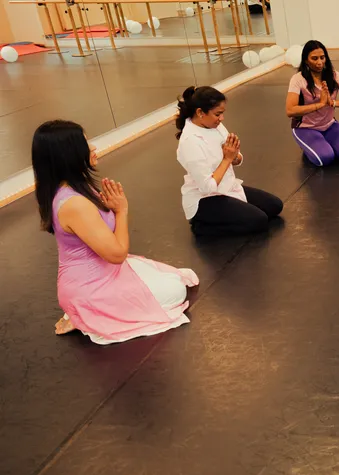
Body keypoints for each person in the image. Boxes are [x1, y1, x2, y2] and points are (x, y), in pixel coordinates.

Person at [33, 120, 199, 344]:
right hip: (91, 288)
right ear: (69, 154)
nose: (92, 147)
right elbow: (117, 254)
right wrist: (121, 211)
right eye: (85, 143)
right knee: (176, 290)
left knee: (173, 276)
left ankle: (82, 312)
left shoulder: (75, 187)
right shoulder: (74, 204)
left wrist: (110, 209)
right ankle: (84, 313)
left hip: (102, 274)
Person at [176, 85, 284, 237]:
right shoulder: (190, 141)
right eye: (218, 114)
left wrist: (235, 156)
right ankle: (201, 226)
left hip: (227, 186)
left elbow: (236, 157)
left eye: (222, 113)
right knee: (259, 221)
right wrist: (227, 158)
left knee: (274, 206)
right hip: (205, 199)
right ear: (200, 112)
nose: (222, 118)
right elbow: (208, 187)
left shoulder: (215, 125)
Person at [286, 40, 339, 167]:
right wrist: (320, 104)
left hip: (329, 125)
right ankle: (309, 146)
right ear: (306, 60)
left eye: (322, 57)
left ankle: (323, 143)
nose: (319, 62)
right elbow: (290, 110)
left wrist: (332, 103)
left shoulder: (334, 76)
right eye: (314, 58)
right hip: (305, 128)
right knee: (325, 158)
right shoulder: (298, 80)